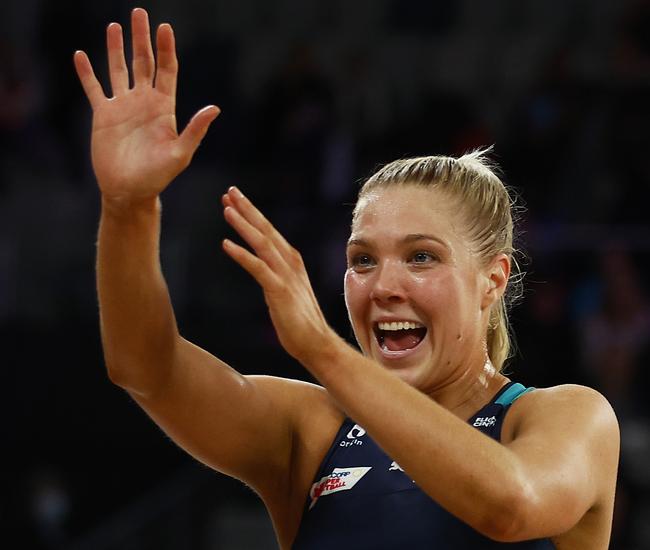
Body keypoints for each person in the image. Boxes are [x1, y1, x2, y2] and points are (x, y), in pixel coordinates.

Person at [74, 8, 619, 549]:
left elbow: (511, 506)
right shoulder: (313, 431)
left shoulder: (566, 416)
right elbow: (145, 366)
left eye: (422, 257)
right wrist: (128, 207)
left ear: (493, 280)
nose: (384, 286)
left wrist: (322, 349)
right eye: (362, 260)